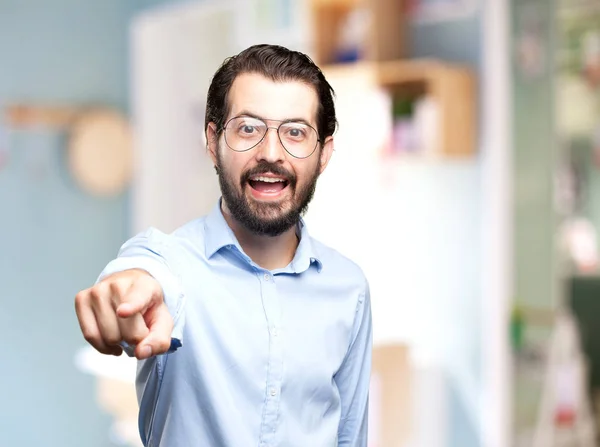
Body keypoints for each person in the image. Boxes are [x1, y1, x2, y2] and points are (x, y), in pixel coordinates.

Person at [74, 44, 372, 447]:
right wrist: (125, 294)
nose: (271, 153)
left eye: (296, 133)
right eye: (248, 128)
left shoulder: (348, 288)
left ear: (323, 153)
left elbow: (349, 437)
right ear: (213, 141)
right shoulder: (171, 262)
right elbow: (141, 275)